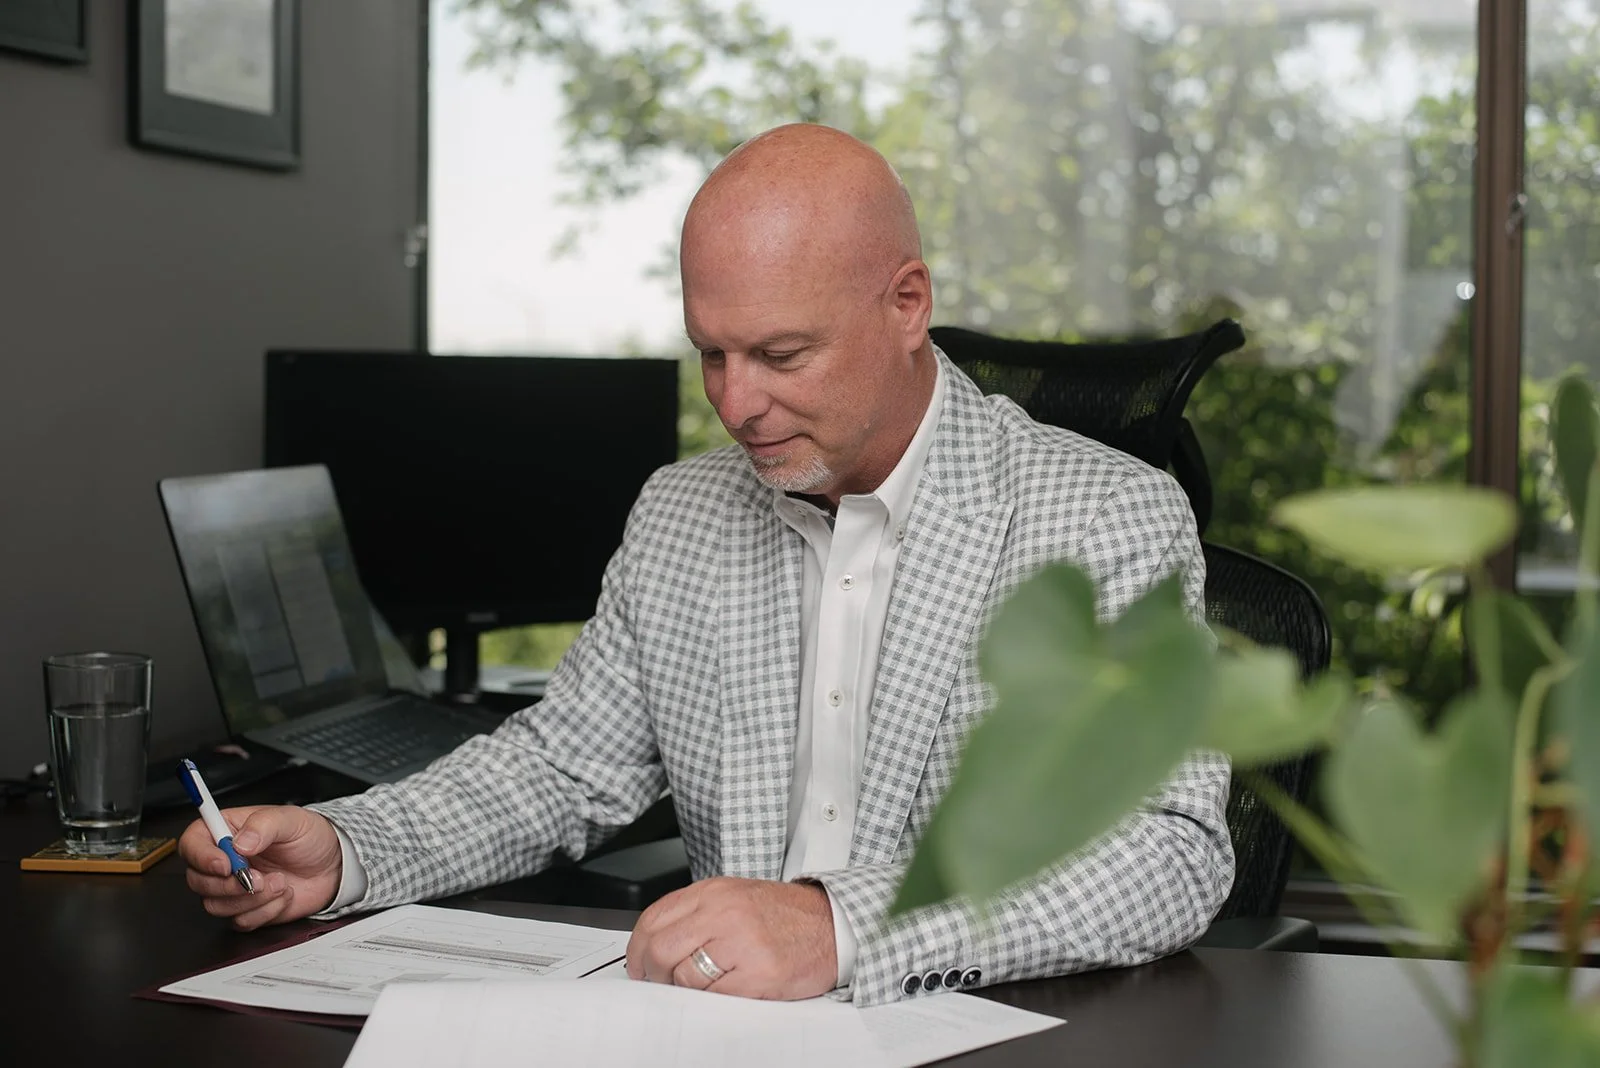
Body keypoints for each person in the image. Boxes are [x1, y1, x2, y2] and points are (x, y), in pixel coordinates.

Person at [179, 123, 1234, 1007]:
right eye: (711, 354)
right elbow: (562, 770)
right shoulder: (681, 512)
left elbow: (1164, 854)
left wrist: (838, 926)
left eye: (780, 355)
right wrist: (352, 848)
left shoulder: (1104, 515)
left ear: (907, 303)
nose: (736, 404)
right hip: (719, 1034)